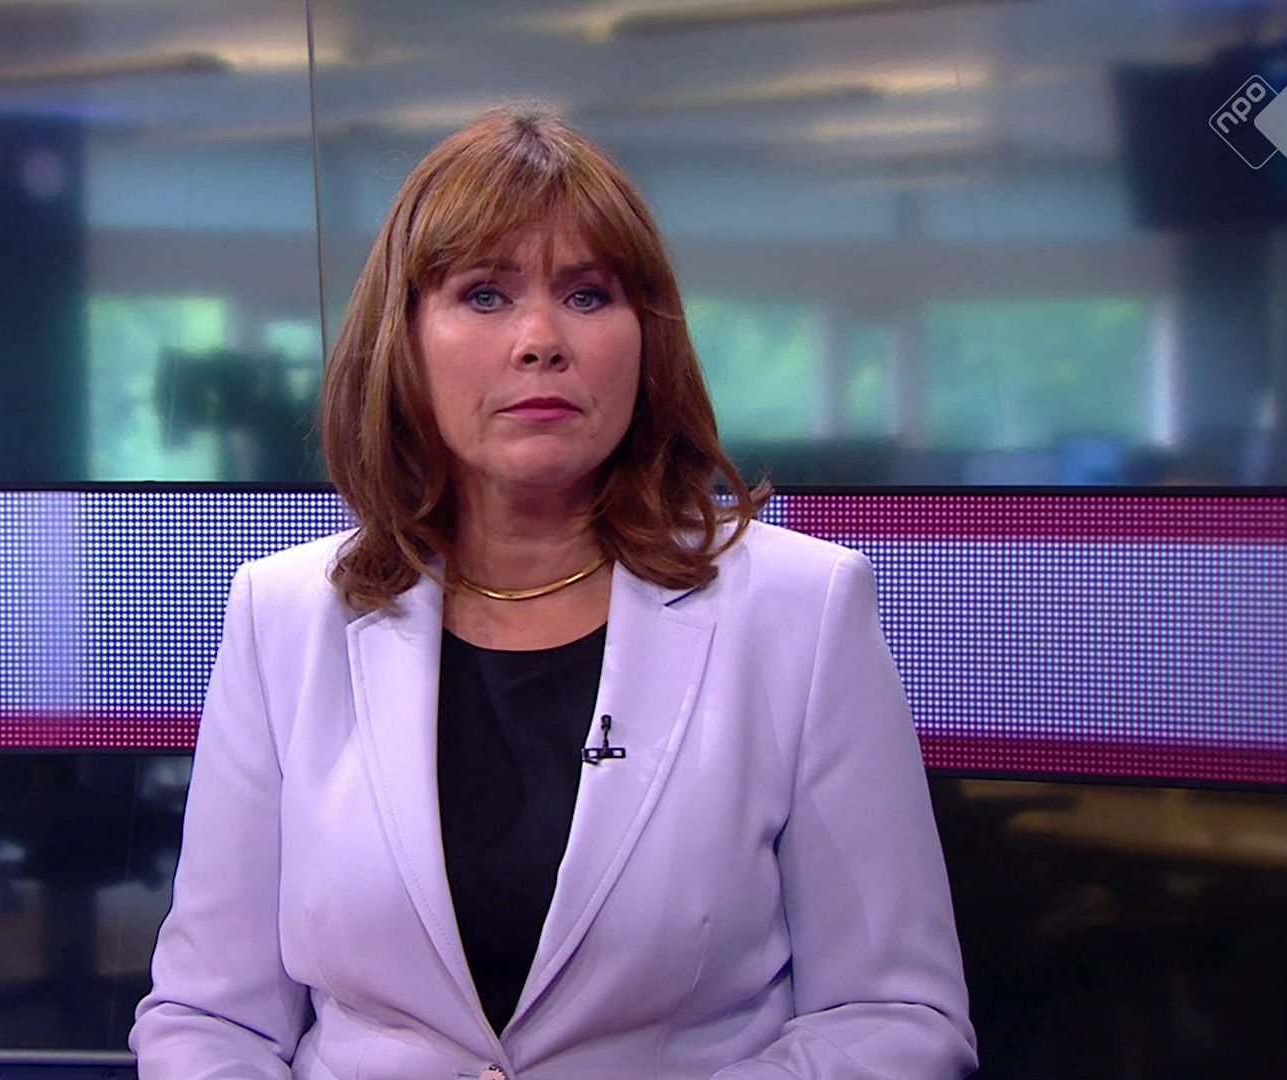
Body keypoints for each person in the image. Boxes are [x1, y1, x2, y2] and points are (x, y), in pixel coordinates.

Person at [131, 106, 977, 1080]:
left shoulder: (802, 608)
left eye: (586, 295)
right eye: (485, 295)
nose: (540, 340)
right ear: (405, 338)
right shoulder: (285, 616)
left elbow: (893, 1016)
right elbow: (210, 1020)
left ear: (647, 336)